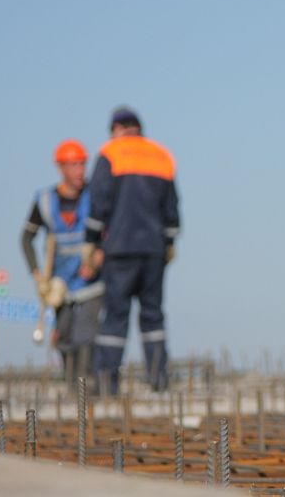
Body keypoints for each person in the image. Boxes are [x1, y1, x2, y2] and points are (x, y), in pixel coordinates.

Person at [83, 106, 180, 395]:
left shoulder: (111, 153)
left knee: (115, 316)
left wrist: (92, 241)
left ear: (116, 129)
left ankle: (106, 384)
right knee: (153, 315)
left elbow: (99, 203)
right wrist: (170, 243)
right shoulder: (161, 155)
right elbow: (172, 209)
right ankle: (158, 380)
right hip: (153, 250)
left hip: (119, 250)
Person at [21, 139, 104, 385]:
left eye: (82, 164)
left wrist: (99, 257)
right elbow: (26, 238)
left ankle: (86, 388)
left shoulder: (96, 196)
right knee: (65, 335)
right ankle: (71, 387)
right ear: (61, 168)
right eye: (74, 165)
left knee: (86, 335)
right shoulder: (45, 201)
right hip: (60, 283)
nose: (80, 170)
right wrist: (38, 275)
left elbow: (112, 231)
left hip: (92, 281)